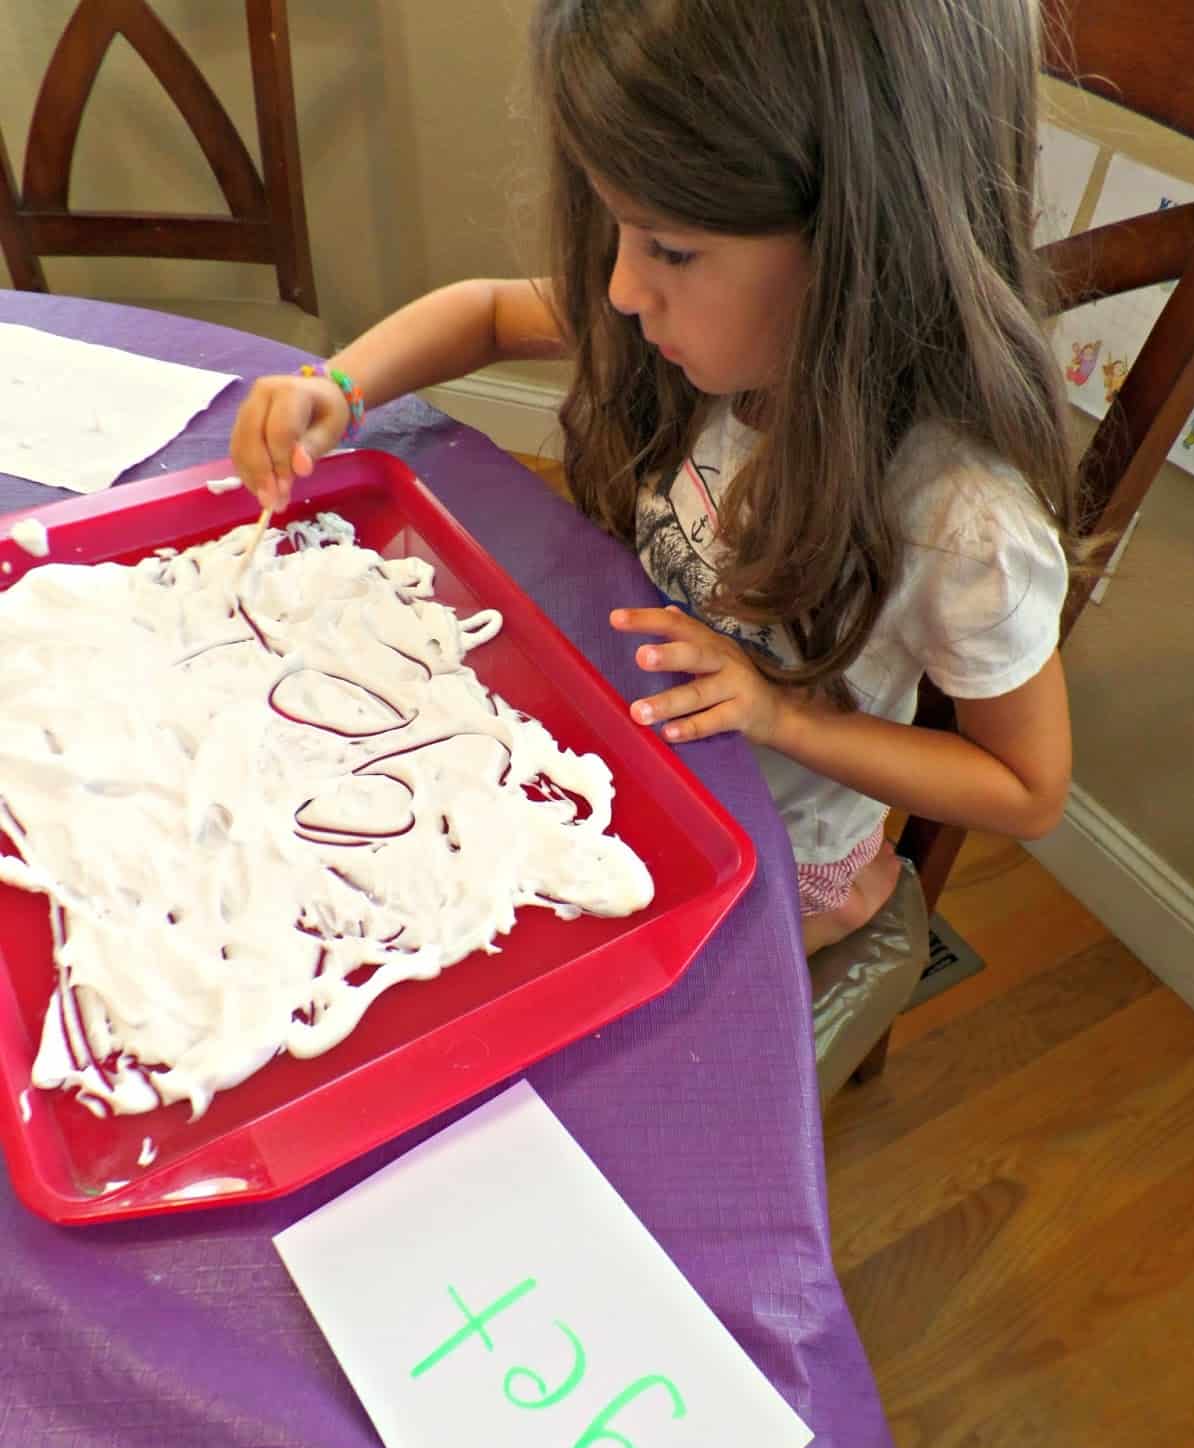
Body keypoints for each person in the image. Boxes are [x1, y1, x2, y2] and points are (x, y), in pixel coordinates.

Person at [229, 0, 1076, 957]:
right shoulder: (700, 331)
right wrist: (336, 385)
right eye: (617, 227)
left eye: (670, 248)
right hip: (622, 754)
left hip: (773, 851)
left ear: (867, 246)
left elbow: (1028, 788)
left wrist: (779, 714)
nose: (625, 290)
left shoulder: (961, 523)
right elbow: (484, 312)